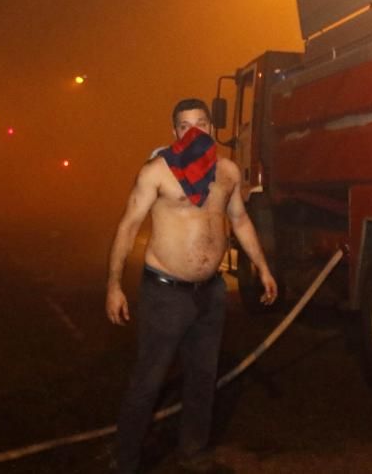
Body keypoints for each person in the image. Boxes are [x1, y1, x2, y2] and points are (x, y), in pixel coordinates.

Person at [105, 98, 277, 473]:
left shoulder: (227, 171)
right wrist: (114, 284)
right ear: (174, 132)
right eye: (185, 125)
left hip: (210, 293)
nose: (195, 131)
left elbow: (241, 222)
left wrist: (262, 268)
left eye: (201, 123)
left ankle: (193, 450)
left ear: (212, 129)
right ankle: (126, 460)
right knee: (149, 379)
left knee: (202, 376)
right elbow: (128, 226)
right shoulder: (157, 171)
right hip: (165, 293)